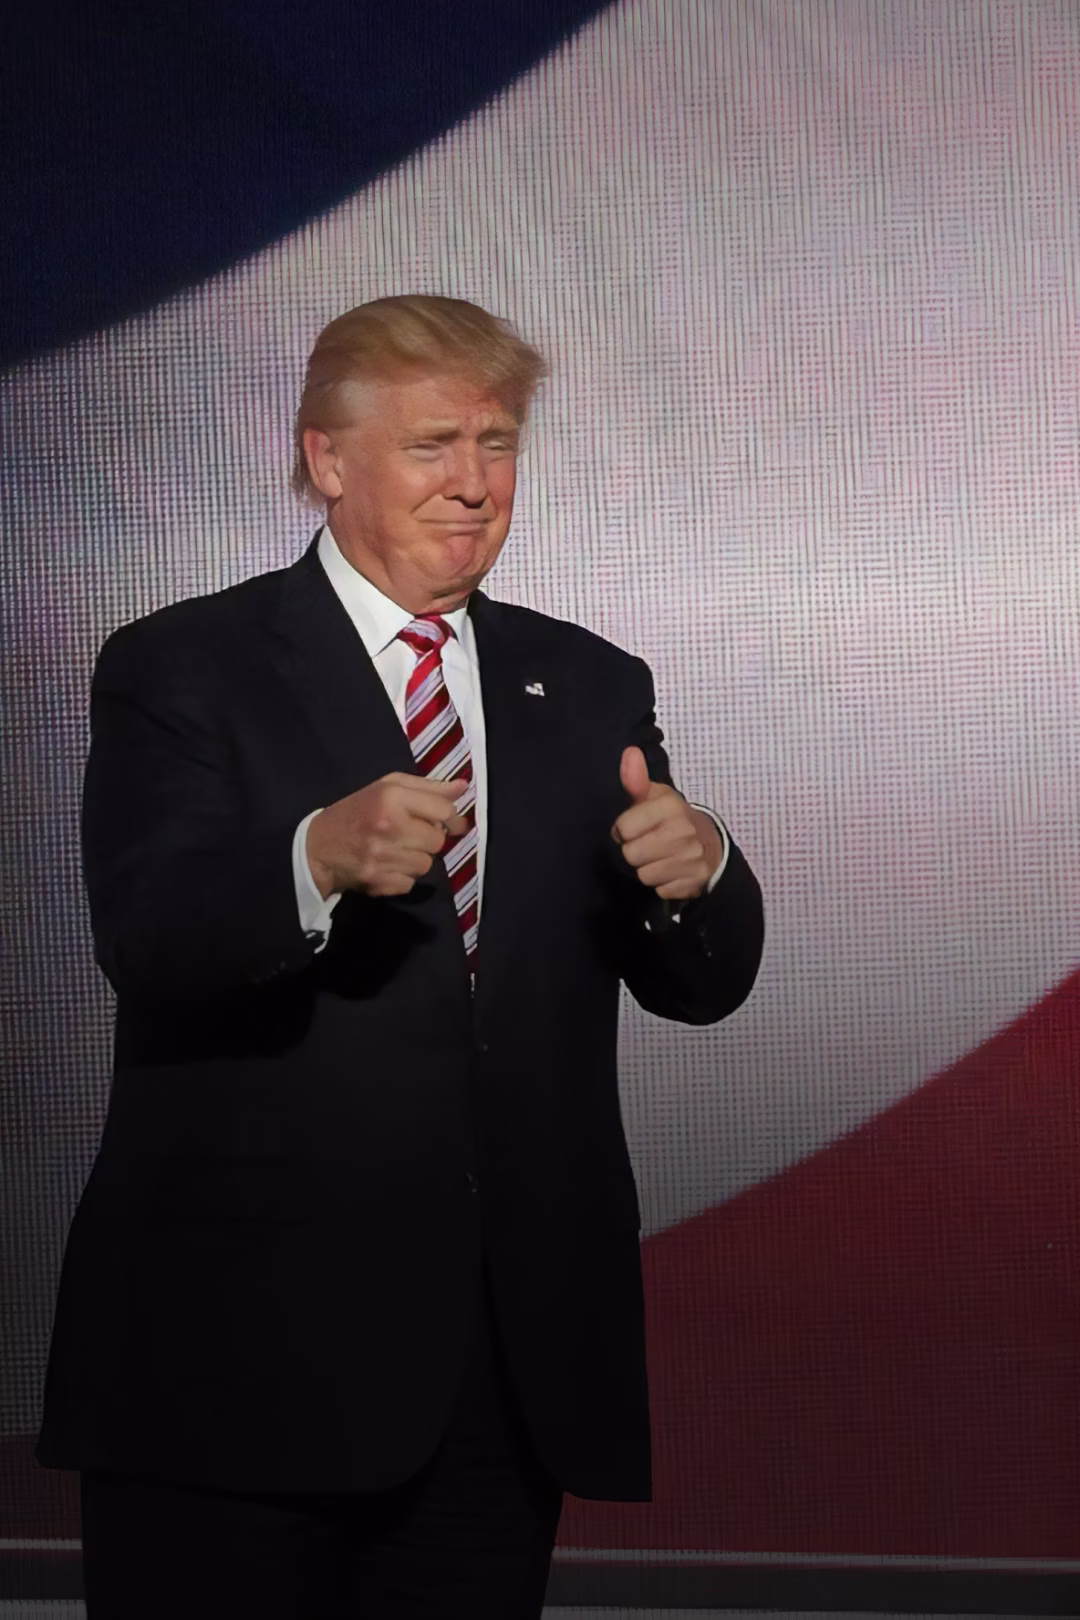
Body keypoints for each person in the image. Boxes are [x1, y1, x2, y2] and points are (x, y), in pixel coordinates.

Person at [37, 295, 764, 1617]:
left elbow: (700, 987)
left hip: (499, 1375)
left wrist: (702, 868)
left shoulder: (588, 683)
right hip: (233, 1363)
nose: (475, 484)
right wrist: (314, 858)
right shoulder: (183, 666)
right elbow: (150, 938)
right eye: (433, 445)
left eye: (497, 444)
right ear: (327, 459)